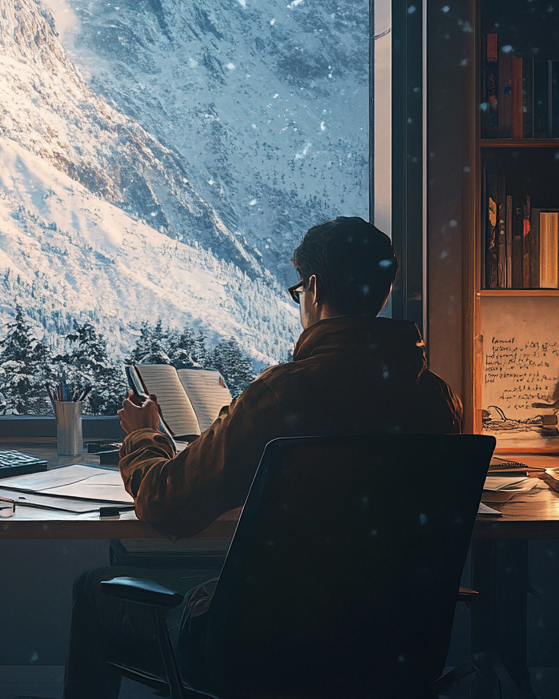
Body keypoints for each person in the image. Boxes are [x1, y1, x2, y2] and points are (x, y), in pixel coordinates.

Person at [63, 216, 462, 699]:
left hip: (267, 643)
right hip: (387, 642)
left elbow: (165, 505)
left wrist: (145, 438)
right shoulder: (436, 398)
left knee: (95, 585)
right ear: (383, 291)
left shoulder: (283, 395)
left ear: (312, 288)